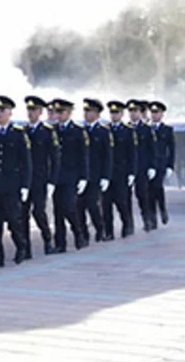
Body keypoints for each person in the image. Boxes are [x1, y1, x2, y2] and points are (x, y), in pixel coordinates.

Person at [0, 96, 31, 267]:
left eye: (3, 110)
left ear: (10, 112)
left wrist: (25, 185)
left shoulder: (19, 134)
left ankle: (21, 246)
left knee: (14, 220)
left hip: (12, 185)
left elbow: (26, 162)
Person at [21, 95, 60, 258]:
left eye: (34, 110)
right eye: (29, 109)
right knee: (22, 214)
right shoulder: (22, 131)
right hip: (24, 179)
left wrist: (52, 180)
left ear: (40, 112)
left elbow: (55, 158)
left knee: (38, 211)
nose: (31, 113)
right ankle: (25, 248)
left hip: (40, 178)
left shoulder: (48, 132)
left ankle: (47, 239)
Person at [50, 98, 89, 253]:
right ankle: (60, 243)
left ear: (69, 112)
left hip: (72, 175)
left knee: (69, 207)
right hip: (56, 176)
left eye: (61, 111)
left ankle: (78, 233)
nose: (58, 115)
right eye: (56, 112)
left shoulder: (78, 131)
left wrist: (84, 177)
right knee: (57, 210)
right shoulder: (52, 130)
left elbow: (84, 156)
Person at [78, 98, 111, 244]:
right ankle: (83, 233)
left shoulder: (103, 132)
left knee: (92, 204)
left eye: (89, 111)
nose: (86, 114)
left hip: (96, 174)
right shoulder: (79, 130)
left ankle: (99, 228)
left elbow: (108, 156)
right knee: (78, 206)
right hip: (80, 175)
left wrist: (106, 176)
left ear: (97, 113)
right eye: (85, 110)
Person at [102, 100, 137, 239]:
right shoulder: (105, 130)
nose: (113, 115)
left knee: (122, 201)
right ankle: (109, 232)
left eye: (116, 112)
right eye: (111, 112)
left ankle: (127, 225)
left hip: (122, 172)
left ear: (122, 114)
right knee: (106, 204)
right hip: (107, 172)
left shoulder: (128, 131)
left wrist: (132, 172)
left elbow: (133, 153)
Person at [128, 100, 157, 231]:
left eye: (136, 111)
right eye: (131, 111)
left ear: (141, 113)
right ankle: (128, 224)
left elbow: (152, 149)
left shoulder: (147, 129)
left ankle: (148, 219)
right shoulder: (126, 128)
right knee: (125, 197)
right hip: (127, 167)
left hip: (142, 166)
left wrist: (152, 166)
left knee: (142, 195)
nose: (133, 114)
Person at [149, 100, 176, 226]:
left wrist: (170, 165)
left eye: (157, 112)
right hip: (149, 164)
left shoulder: (167, 130)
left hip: (161, 164)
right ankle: (152, 218)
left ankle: (162, 210)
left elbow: (172, 149)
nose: (154, 115)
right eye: (152, 112)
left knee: (157, 188)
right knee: (148, 191)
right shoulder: (147, 129)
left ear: (162, 114)